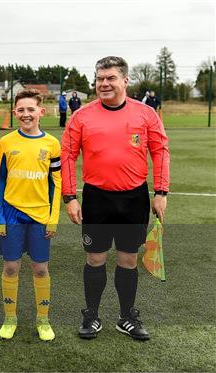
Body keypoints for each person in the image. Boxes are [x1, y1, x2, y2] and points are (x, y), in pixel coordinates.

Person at [61, 56, 169, 341]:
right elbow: (68, 156)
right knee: (95, 259)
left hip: (134, 199)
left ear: (125, 80)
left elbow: (160, 152)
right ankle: (92, 315)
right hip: (97, 199)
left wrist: (160, 192)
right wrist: (70, 197)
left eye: (110, 78)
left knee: (129, 260)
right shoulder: (81, 116)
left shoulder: (146, 114)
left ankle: (126, 317)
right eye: (99, 79)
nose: (104, 84)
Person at [0, 89, 61, 341]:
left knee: (40, 268)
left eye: (31, 109)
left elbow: (56, 183)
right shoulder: (6, 143)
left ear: (41, 112)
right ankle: (10, 318)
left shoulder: (52, 144)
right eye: (21, 110)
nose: (26, 114)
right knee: (11, 267)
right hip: (11, 213)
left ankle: (43, 320)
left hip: (41, 215)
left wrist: (53, 217)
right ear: (14, 113)